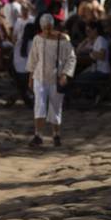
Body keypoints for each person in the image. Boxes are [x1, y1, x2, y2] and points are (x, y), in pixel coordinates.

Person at [25, 14, 77, 147]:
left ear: (52, 26)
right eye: (44, 28)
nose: (47, 31)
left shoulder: (63, 39)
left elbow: (71, 58)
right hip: (40, 77)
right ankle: (38, 135)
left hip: (56, 78)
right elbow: (33, 59)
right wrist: (30, 78)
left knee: (55, 106)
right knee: (39, 105)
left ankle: (56, 135)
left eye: (48, 28)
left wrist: (65, 74)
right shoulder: (38, 39)